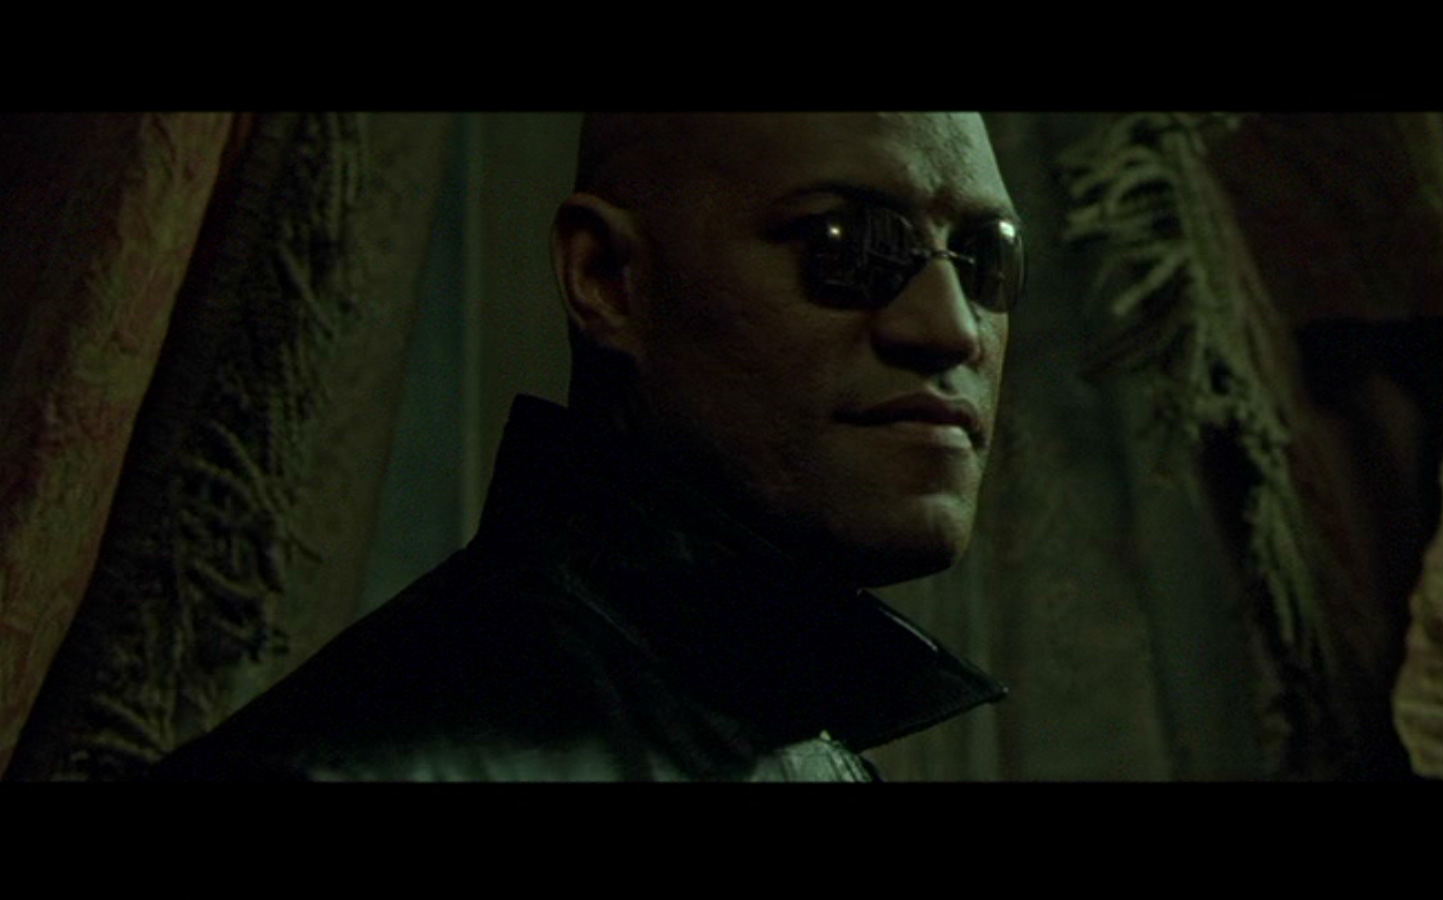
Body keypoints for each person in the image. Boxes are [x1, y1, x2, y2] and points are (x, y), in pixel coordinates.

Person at [151, 112, 1025, 781]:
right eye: (844, 244)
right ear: (604, 278)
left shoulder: (801, 743)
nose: (952, 327)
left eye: (986, 257)